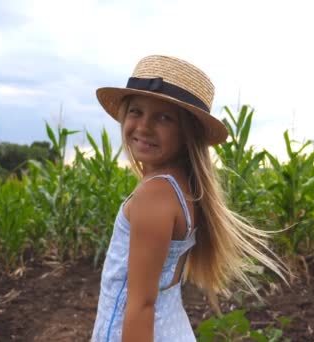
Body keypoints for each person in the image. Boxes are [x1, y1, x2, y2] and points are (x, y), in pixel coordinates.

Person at [90, 55, 287, 342]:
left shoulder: (154, 194)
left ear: (187, 133)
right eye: (136, 111)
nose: (144, 126)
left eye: (163, 117)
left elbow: (141, 305)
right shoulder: (183, 186)